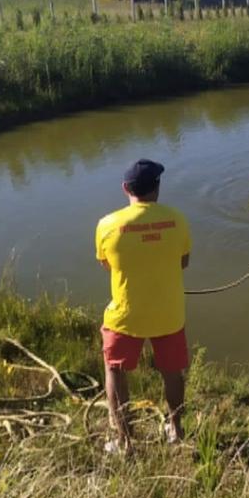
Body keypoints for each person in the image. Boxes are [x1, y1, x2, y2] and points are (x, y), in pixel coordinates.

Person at [95, 158, 192, 454]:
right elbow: (183, 262)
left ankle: (125, 441)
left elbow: (107, 265)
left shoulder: (107, 225)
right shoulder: (177, 219)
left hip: (126, 315)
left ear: (126, 188)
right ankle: (176, 431)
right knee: (172, 371)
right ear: (158, 188)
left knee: (115, 370)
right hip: (169, 313)